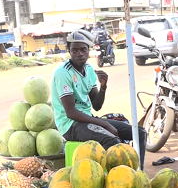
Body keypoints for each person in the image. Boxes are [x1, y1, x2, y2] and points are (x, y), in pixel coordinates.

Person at [51, 29, 147, 168]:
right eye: (75, 50)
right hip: (70, 125)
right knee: (112, 141)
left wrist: (103, 86)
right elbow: (71, 112)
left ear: (88, 50)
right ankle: (116, 180)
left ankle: (139, 172)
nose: (80, 54)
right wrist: (104, 124)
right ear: (69, 51)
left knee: (140, 133)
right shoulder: (63, 73)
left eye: (83, 50)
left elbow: (96, 105)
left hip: (86, 119)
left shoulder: (88, 69)